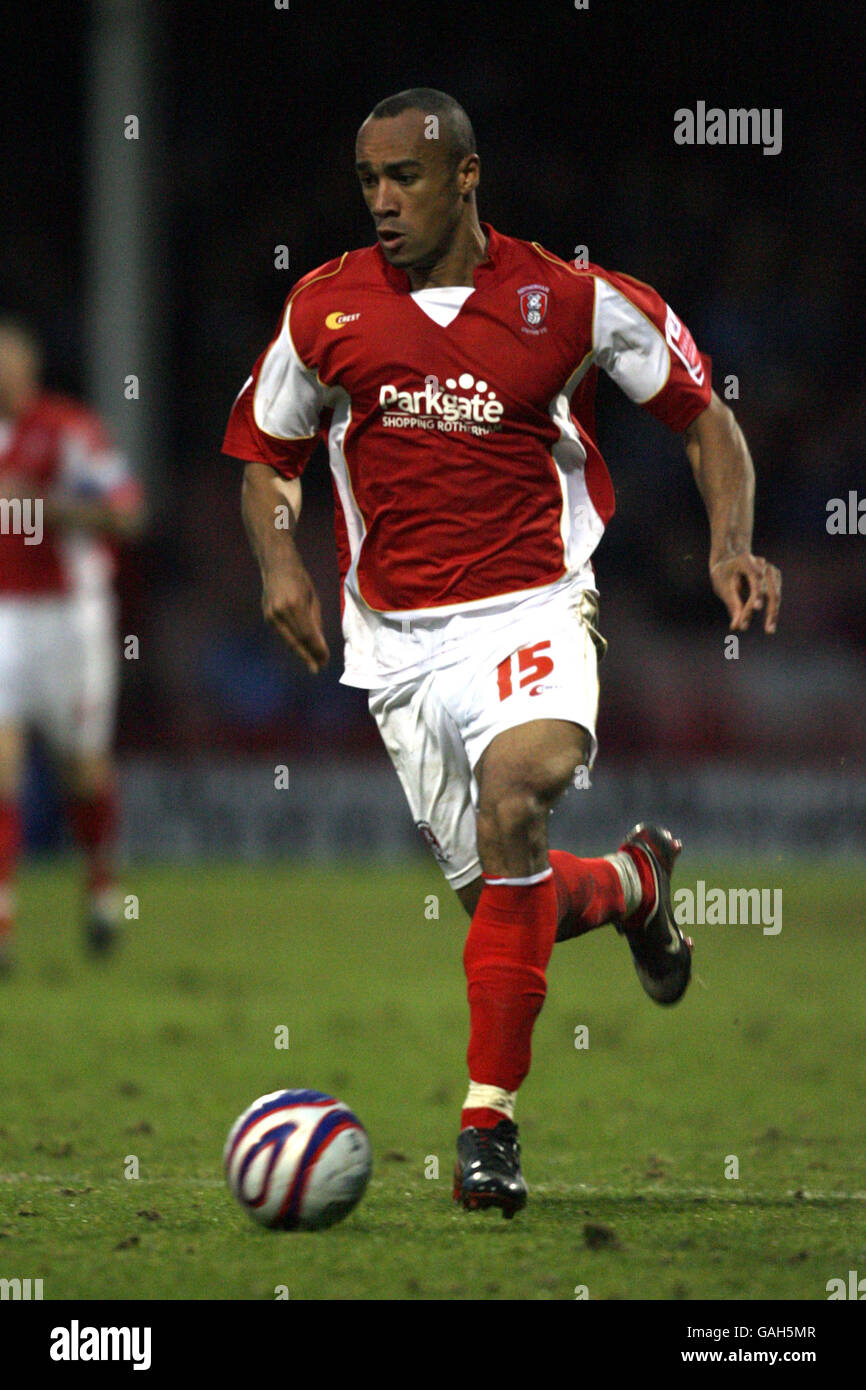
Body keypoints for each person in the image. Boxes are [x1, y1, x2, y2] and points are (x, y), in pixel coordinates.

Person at [224, 89, 782, 1217]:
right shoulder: (322, 309)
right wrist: (280, 563)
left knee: (514, 794)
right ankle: (631, 885)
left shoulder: (571, 300)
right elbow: (265, 458)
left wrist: (731, 544)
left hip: (533, 610)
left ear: (466, 177)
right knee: (505, 894)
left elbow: (701, 414)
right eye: (367, 180)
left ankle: (487, 1124)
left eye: (405, 179)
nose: (381, 201)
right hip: (395, 646)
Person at [0, 319, 145, 970]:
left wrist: (45, 507)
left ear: (28, 370)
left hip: (72, 617)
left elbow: (128, 512)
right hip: (6, 616)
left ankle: (100, 889)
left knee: (82, 773)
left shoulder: (69, 430)